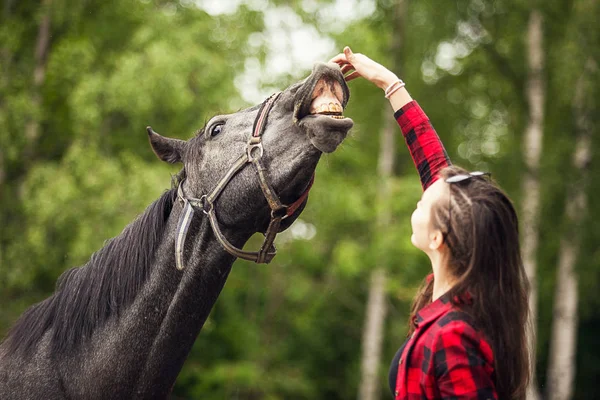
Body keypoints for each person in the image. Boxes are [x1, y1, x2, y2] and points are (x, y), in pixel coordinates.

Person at [330, 47, 530, 400]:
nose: (423, 194)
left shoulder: (455, 335)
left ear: (438, 237)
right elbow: (433, 164)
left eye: (426, 200)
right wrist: (387, 82)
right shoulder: (460, 301)